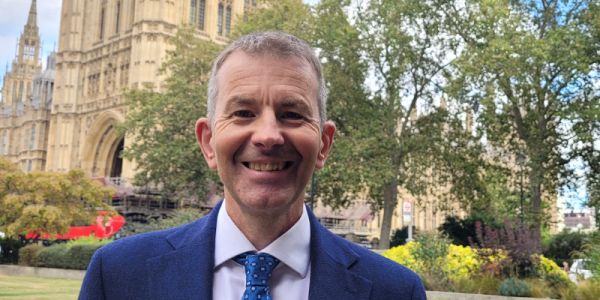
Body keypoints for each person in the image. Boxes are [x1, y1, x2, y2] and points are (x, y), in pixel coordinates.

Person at [78, 31, 426, 300]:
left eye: (292, 114)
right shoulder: (119, 275)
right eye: (243, 113)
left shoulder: (395, 291)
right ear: (208, 142)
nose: (268, 136)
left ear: (324, 144)